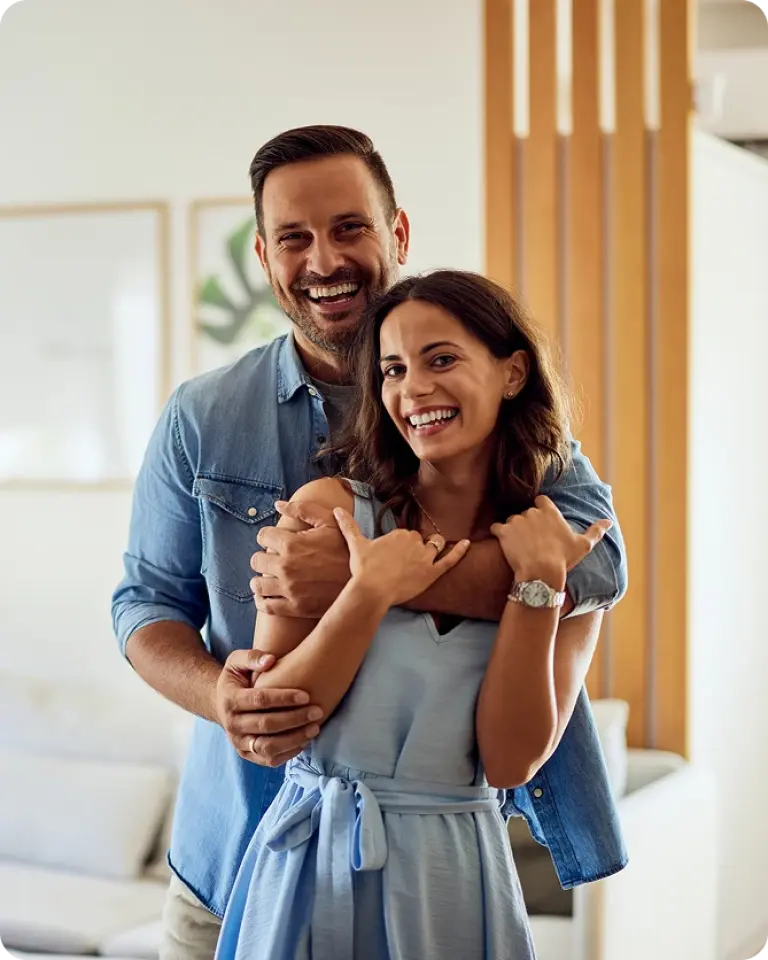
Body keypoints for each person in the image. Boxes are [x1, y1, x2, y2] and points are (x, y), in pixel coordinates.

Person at [111, 125, 627, 958]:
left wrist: (371, 576)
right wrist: (222, 699)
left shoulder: (514, 436)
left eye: (349, 227)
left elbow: (594, 565)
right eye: (294, 238)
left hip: (444, 862)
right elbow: (144, 606)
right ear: (264, 256)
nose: (324, 260)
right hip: (234, 856)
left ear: (398, 232)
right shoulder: (202, 418)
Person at [213, 269, 626, 960]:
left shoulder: (560, 552)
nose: (414, 390)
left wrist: (536, 587)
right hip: (312, 864)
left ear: (513, 373)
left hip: (455, 874)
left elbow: (510, 761)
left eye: (441, 360)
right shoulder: (330, 512)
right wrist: (368, 591)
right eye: (394, 370)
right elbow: (278, 725)